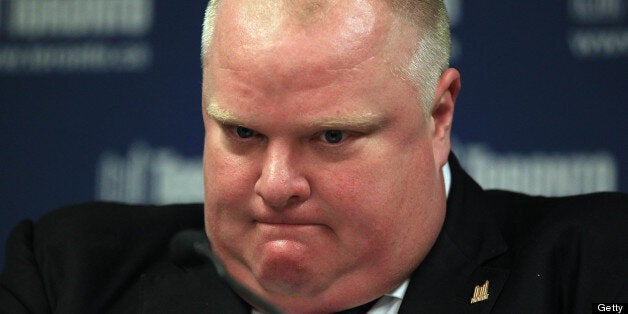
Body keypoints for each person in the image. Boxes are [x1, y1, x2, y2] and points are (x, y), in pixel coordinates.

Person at [1, 0, 626, 313]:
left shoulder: (597, 270)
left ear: (438, 118)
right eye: (242, 132)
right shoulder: (68, 278)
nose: (276, 185)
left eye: (331, 138)